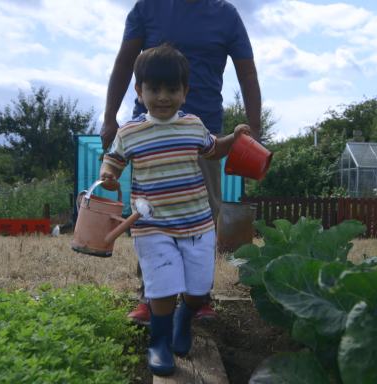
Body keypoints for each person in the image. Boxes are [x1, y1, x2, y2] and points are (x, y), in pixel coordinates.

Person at [101, 0, 262, 324]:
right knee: (150, 214)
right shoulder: (148, 9)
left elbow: (247, 72)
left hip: (201, 132)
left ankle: (198, 298)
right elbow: (124, 63)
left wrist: (253, 128)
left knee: (201, 214)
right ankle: (151, 295)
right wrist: (109, 117)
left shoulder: (226, 15)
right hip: (150, 132)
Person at [100, 43, 251, 376]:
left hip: (197, 224)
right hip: (152, 225)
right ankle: (159, 340)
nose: (163, 97)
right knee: (163, 287)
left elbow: (213, 150)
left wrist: (234, 136)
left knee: (198, 289)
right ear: (140, 91)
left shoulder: (193, 125)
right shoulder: (130, 132)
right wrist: (108, 175)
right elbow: (113, 161)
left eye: (172, 89)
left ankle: (185, 318)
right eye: (154, 89)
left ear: (185, 92)